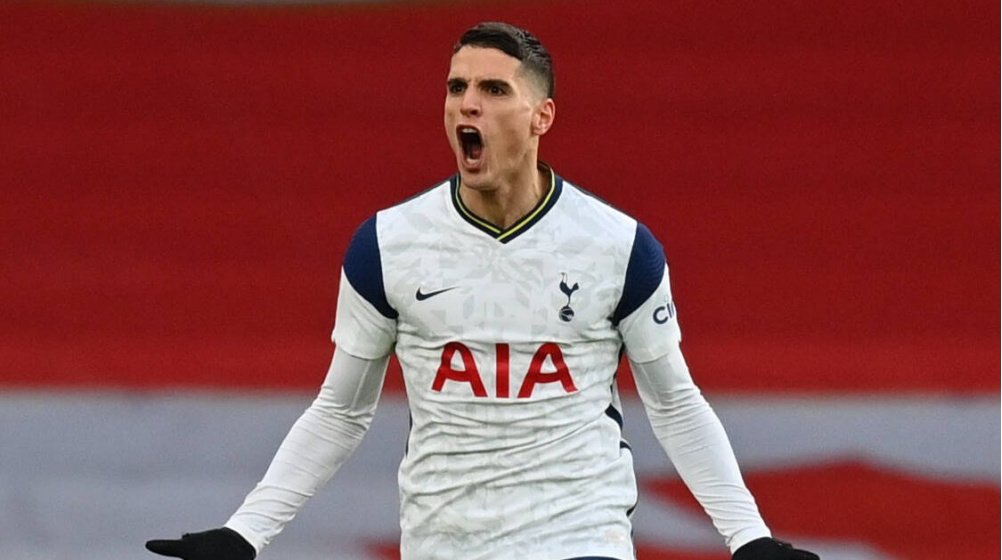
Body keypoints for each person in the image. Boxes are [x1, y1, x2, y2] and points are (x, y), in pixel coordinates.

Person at [146, 21, 819, 560]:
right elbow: (342, 410)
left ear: (541, 116)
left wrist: (748, 536)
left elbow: (674, 404)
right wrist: (246, 532)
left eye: (494, 89)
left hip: (580, 536)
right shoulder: (388, 244)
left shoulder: (617, 247)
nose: (467, 103)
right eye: (456, 86)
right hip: (445, 541)